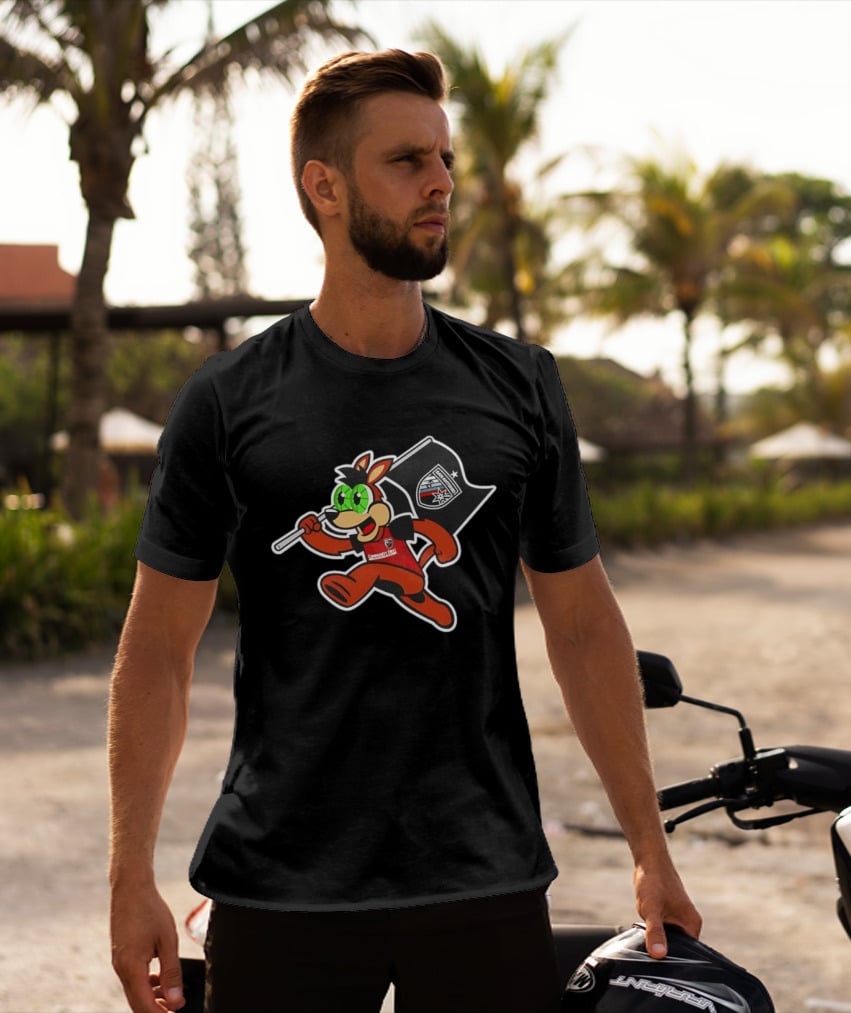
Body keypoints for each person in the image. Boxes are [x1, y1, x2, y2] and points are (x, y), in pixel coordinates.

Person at [107, 48, 701, 1013]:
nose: (441, 183)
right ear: (325, 187)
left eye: (446, 158)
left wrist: (650, 847)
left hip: (484, 875)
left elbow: (585, 628)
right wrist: (129, 875)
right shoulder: (229, 402)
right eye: (407, 161)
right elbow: (157, 654)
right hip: (280, 879)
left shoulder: (519, 384)